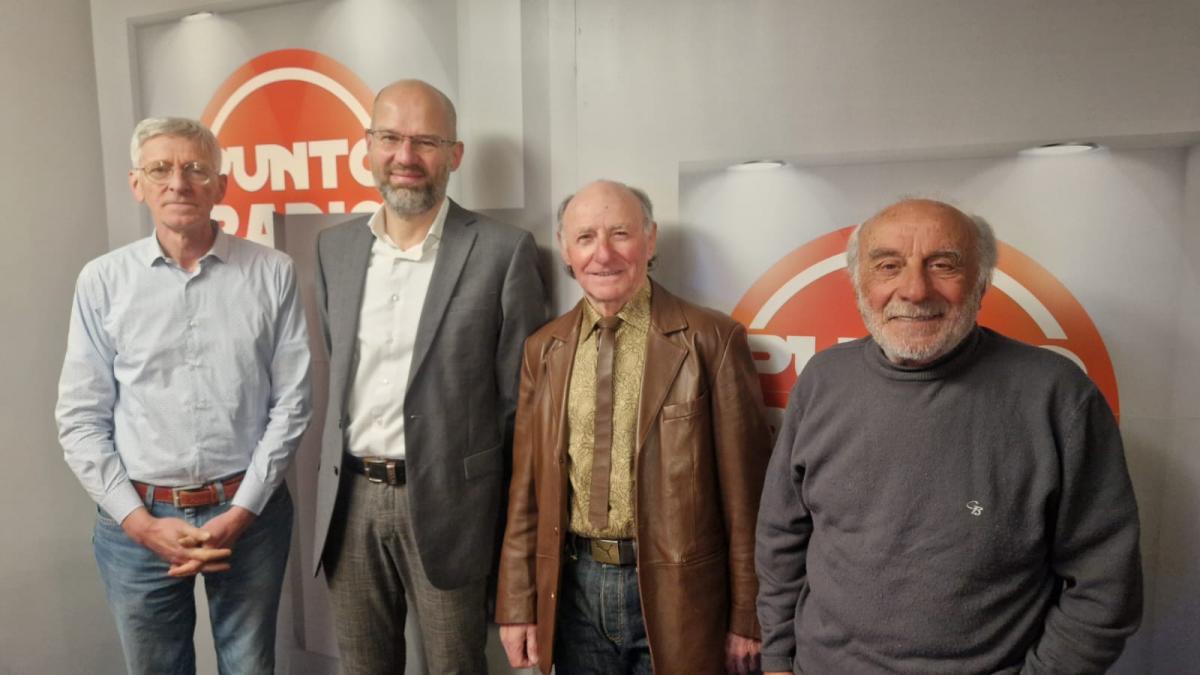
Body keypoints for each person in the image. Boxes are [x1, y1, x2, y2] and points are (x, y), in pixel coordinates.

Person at [756, 198, 1143, 674]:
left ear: (981, 284)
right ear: (860, 284)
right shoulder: (822, 379)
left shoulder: (1059, 396)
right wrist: (777, 660)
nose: (914, 290)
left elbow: (1105, 584)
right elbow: (781, 535)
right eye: (888, 266)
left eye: (943, 265)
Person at [56, 117, 312, 674]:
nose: (178, 183)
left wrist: (242, 511)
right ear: (137, 184)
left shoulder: (272, 272)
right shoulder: (102, 282)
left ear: (220, 185)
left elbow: (292, 404)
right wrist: (139, 523)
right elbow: (80, 418)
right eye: (160, 169)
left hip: (250, 516)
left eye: (196, 168)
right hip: (137, 518)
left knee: (250, 667)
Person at [311, 79, 547, 674]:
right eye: (390, 138)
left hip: (452, 506)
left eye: (426, 141)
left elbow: (521, 405)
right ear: (368, 146)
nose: (405, 156)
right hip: (349, 503)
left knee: (454, 667)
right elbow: (338, 366)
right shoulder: (333, 250)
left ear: (454, 154)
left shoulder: (503, 251)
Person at [496, 179, 772, 675]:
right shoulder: (543, 349)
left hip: (681, 597)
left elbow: (747, 497)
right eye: (585, 238)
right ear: (565, 249)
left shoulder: (711, 340)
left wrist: (748, 616)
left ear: (650, 239)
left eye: (620, 233)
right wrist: (518, 604)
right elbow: (525, 493)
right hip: (573, 595)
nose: (603, 254)